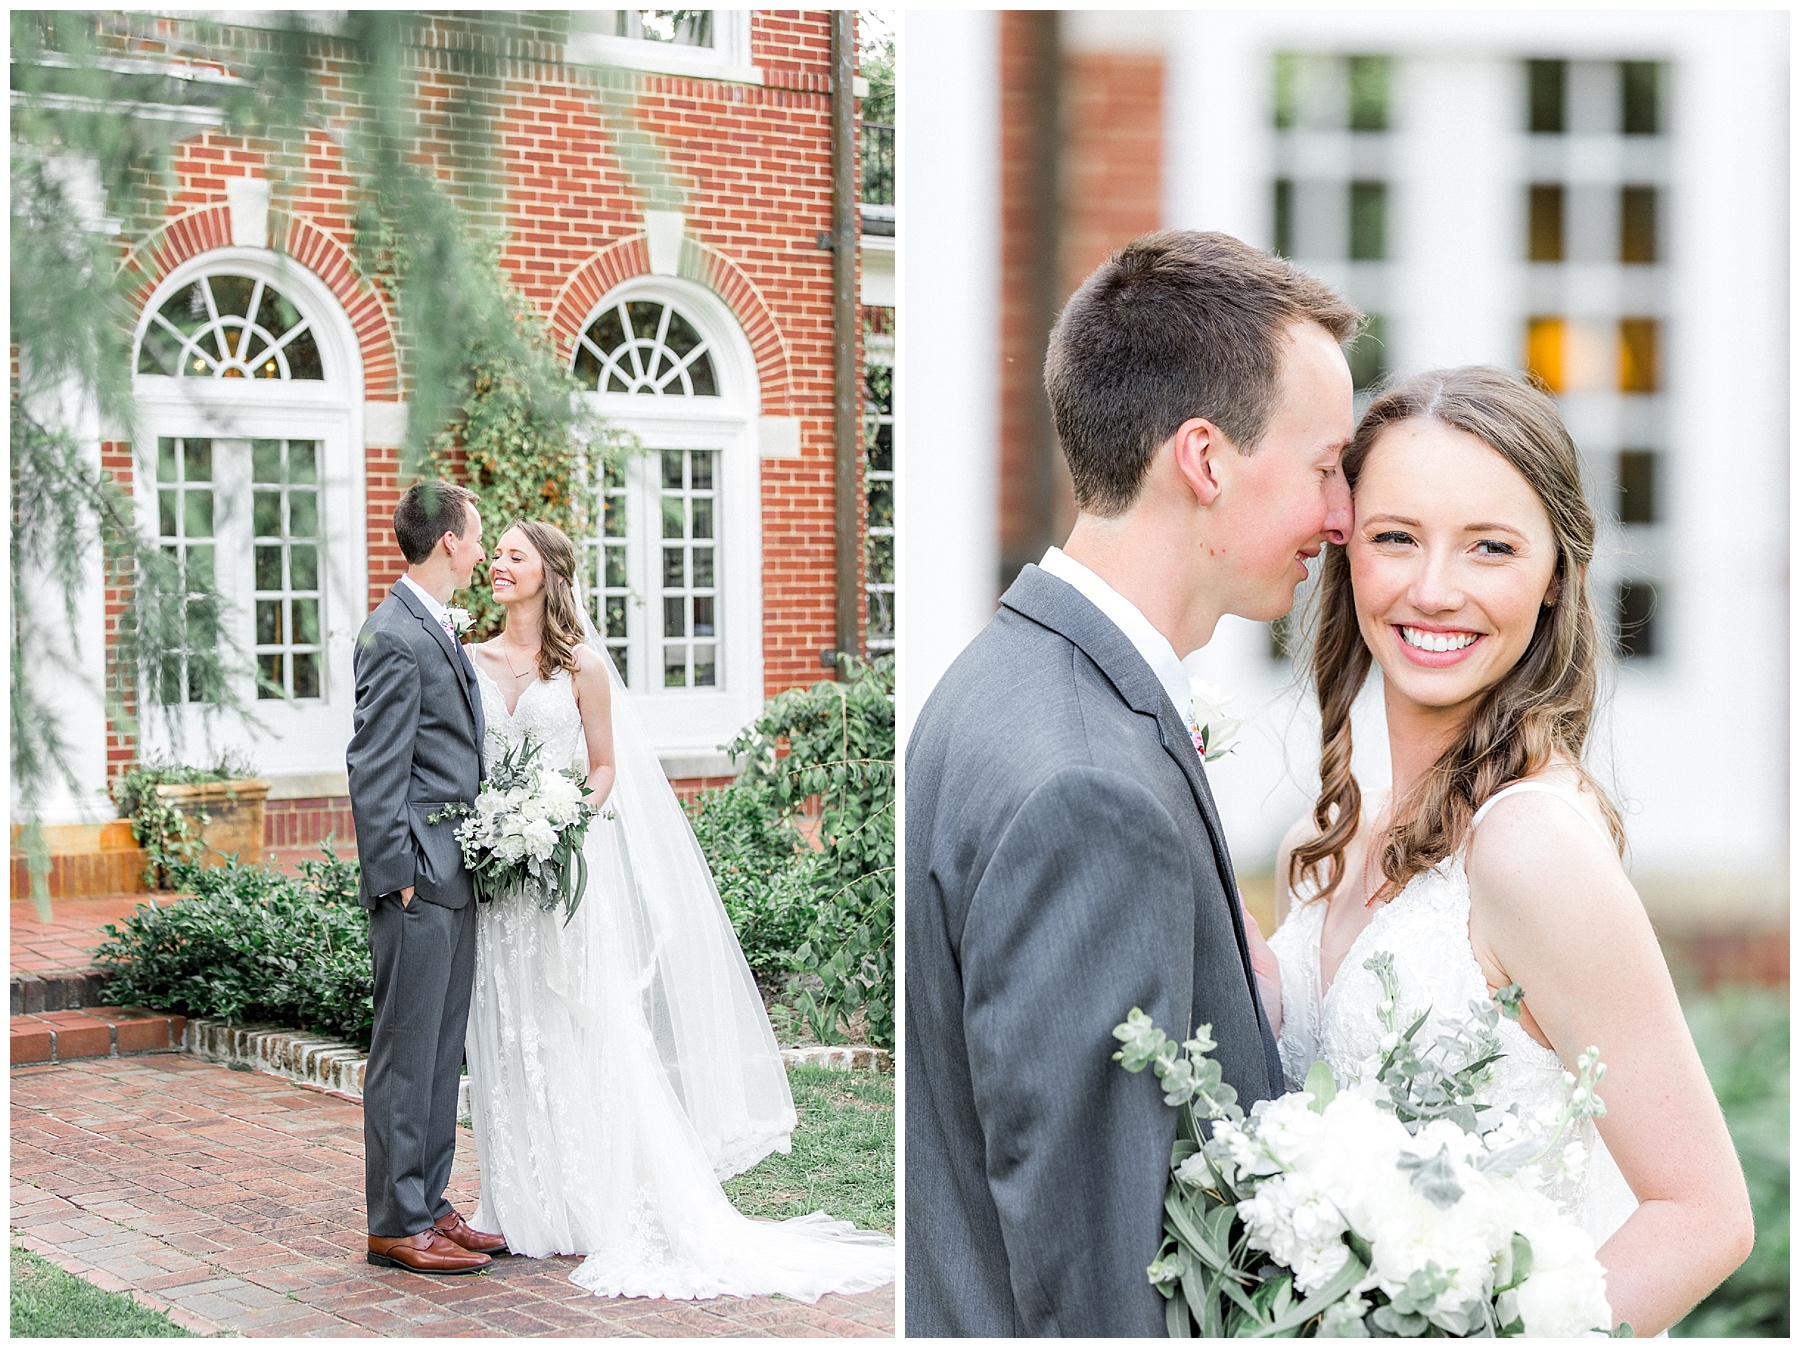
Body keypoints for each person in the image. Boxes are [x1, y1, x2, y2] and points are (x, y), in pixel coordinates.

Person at [905, 230, 1360, 1336]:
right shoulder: (1088, 788)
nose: (1343, 515)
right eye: (1324, 467)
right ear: (1205, 459)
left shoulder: (1005, 679)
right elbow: (1095, 1288)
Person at [1264, 366, 1753, 1335]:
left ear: (1554, 577)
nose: (1433, 589)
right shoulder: (1321, 846)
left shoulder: (1529, 846)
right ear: (1345, 550)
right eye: (1396, 537)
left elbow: (1703, 1216)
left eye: (1490, 547)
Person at [460, 518, 894, 1301]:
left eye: (513, 556)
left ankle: (590, 1200)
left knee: (577, 1030)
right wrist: (497, 830)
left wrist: (561, 823)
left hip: (562, 877)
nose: (498, 564)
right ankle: (520, 1205)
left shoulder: (583, 668)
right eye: (495, 555)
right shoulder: (471, 662)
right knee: (508, 1028)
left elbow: (602, 769)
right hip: (500, 888)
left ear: (547, 571)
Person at [347, 480, 507, 1274]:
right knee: (405, 1054)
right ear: (449, 542)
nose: (480, 552)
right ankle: (395, 1222)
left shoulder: (432, 623)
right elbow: (373, 765)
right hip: (417, 878)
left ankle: (430, 1203)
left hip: (455, 872)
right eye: (475, 536)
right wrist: (398, 877)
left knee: (441, 1053)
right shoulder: (392, 634)